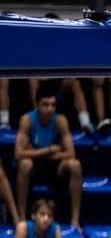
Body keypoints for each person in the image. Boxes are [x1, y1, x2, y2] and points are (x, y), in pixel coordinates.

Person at [14, 85, 82, 229]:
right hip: (34, 167)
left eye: (53, 105)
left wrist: (35, 151)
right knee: (25, 164)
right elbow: (18, 154)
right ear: (37, 104)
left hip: (53, 167)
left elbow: (71, 153)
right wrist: (49, 150)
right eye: (45, 105)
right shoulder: (27, 120)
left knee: (75, 165)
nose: (50, 109)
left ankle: (75, 220)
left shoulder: (60, 121)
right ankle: (21, 218)